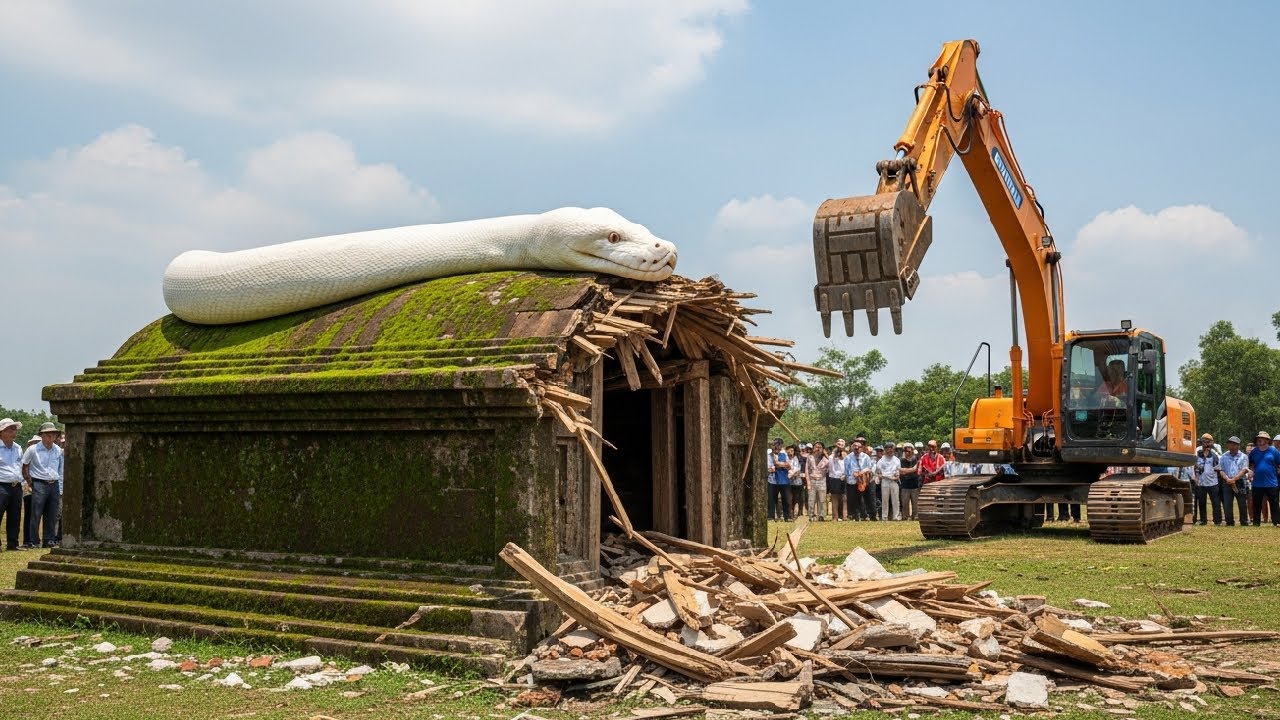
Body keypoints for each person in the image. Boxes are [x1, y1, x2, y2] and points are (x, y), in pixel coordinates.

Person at [22, 422, 63, 548]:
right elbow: (25, 466)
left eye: (54, 434)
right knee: (36, 513)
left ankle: (49, 539)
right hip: (39, 482)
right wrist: (29, 482)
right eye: (48, 434)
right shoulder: (33, 449)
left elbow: (60, 470)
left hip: (54, 483)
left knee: (52, 514)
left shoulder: (58, 450)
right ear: (42, 436)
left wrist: (60, 487)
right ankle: (34, 540)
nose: (51, 436)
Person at [0, 419, 24, 551]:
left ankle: (13, 544)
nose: (13, 431)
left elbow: (19, 465)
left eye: (14, 429)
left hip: (16, 485)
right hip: (1, 485)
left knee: (15, 516)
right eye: (10, 429)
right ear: (2, 432)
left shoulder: (18, 448)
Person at [1247, 431, 1280, 527]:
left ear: (1267, 440)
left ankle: (1276, 522)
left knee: (1274, 503)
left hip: (1271, 482)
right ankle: (1256, 522)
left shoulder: (1273, 451)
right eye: (1258, 439)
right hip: (1257, 483)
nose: (1259, 440)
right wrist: (1250, 471)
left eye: (1261, 438)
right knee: (1256, 504)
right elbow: (1251, 464)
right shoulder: (1254, 452)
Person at [1193, 433, 1223, 526]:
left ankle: (1217, 521)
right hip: (1200, 482)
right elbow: (1193, 464)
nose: (1206, 443)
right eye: (1204, 441)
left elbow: (1219, 466)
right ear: (1201, 442)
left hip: (1213, 482)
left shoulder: (1216, 452)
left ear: (1211, 442)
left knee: (1216, 503)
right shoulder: (1197, 451)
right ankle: (1203, 520)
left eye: (1208, 441)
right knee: (1201, 502)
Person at [1219, 435, 1249, 526]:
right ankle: (1229, 522)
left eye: (1234, 444)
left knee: (1242, 502)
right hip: (1226, 481)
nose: (1232, 446)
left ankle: (1244, 521)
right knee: (1227, 503)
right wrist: (1228, 479)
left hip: (1239, 482)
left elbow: (1244, 470)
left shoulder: (1243, 456)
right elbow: (1220, 469)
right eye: (1230, 444)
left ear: (1238, 445)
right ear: (1228, 445)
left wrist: (1234, 479)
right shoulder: (1223, 456)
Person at [846, 440, 875, 521]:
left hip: (865, 480)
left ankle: (868, 515)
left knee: (867, 498)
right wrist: (853, 474)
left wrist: (861, 472)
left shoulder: (866, 457)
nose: (856, 449)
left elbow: (869, 467)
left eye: (858, 448)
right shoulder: (848, 457)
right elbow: (846, 470)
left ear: (861, 448)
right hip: (852, 481)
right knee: (854, 499)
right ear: (852, 448)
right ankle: (856, 515)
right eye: (855, 448)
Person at [877, 442, 902, 521]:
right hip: (885, 481)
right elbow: (879, 473)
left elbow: (898, 470)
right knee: (885, 499)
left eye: (891, 448)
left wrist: (897, 476)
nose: (890, 450)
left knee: (895, 499)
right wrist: (887, 476)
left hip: (894, 481)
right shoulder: (881, 460)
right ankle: (884, 517)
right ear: (885, 449)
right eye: (888, 448)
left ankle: (896, 516)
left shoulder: (897, 460)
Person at [805, 442, 829, 521]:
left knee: (822, 499)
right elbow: (807, 470)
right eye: (816, 447)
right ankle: (811, 515)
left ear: (822, 449)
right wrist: (808, 482)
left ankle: (821, 515)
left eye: (820, 447)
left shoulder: (825, 460)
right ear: (813, 448)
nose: (818, 449)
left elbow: (829, 469)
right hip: (812, 480)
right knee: (811, 499)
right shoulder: (810, 457)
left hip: (822, 480)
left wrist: (826, 455)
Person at [768, 439, 791, 521]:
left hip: (784, 480)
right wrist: (782, 465)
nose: (776, 446)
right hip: (772, 480)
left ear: (781, 446)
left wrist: (778, 465)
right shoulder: (769, 455)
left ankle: (787, 516)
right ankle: (771, 517)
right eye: (775, 445)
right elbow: (771, 467)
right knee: (771, 499)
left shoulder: (784, 454)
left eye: (779, 445)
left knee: (786, 500)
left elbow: (789, 465)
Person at [899, 443, 921, 521]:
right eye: (905, 449)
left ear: (912, 450)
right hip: (905, 483)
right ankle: (906, 516)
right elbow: (900, 471)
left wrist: (906, 470)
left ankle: (915, 516)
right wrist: (911, 470)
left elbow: (916, 469)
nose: (907, 451)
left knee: (915, 502)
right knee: (905, 502)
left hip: (914, 483)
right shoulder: (901, 460)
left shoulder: (916, 459)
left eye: (909, 449)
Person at [826, 445, 848, 521]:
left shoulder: (845, 456)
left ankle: (845, 516)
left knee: (844, 497)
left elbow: (847, 466)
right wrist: (835, 456)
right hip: (834, 478)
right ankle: (835, 516)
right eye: (838, 449)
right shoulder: (831, 457)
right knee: (834, 497)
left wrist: (845, 475)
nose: (839, 451)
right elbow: (831, 469)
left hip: (844, 478)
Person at [789, 444, 808, 519]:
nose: (798, 452)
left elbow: (805, 470)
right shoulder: (789, 458)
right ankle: (791, 512)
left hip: (801, 481)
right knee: (791, 498)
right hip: (790, 481)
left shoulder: (804, 459)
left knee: (800, 497)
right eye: (797, 451)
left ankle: (800, 512)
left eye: (799, 451)